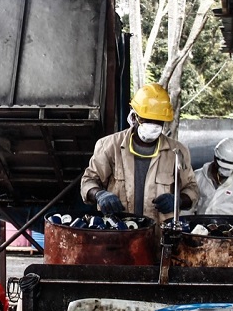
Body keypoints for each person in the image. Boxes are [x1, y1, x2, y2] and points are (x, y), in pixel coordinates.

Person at [81, 83, 198, 224]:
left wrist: (178, 200)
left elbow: (192, 189)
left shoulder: (177, 152)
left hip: (159, 235)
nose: (152, 125)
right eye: (146, 119)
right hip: (119, 232)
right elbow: (89, 181)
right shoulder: (109, 146)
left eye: (158, 122)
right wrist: (99, 194)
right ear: (133, 116)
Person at [194, 137, 233, 217]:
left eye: (230, 168)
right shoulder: (198, 176)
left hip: (230, 228)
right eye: (224, 167)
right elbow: (188, 210)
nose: (227, 171)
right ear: (215, 157)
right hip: (201, 227)